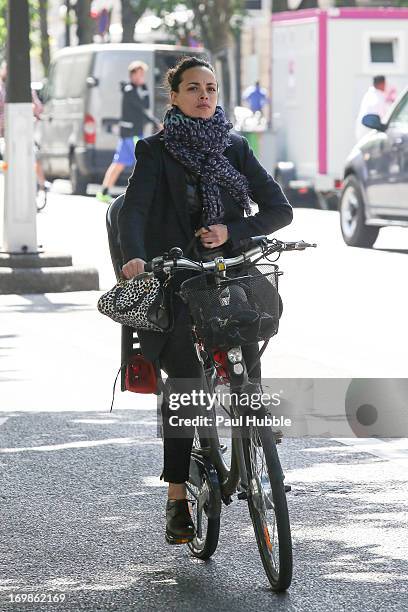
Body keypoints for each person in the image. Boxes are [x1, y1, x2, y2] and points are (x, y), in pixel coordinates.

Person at [118, 56, 293, 544]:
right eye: (193, 88)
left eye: (212, 88)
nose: (204, 96)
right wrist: (134, 258)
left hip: (227, 268)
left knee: (252, 331)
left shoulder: (235, 147)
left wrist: (231, 230)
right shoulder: (154, 151)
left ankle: (254, 428)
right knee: (188, 383)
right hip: (176, 275)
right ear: (173, 96)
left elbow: (279, 209)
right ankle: (177, 495)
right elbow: (134, 212)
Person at [96, 61, 162, 203]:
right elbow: (141, 108)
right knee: (144, 160)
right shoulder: (129, 90)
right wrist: (155, 123)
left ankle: (103, 192)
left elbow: (146, 106)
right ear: (132, 75)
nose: (142, 77)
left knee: (118, 164)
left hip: (130, 134)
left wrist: (144, 88)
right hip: (132, 134)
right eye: (140, 74)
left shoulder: (134, 89)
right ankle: (144, 194)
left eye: (143, 75)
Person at [355, 75, 388, 141]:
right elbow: (374, 119)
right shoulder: (375, 98)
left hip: (367, 135)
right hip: (369, 136)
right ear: (382, 84)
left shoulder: (372, 95)